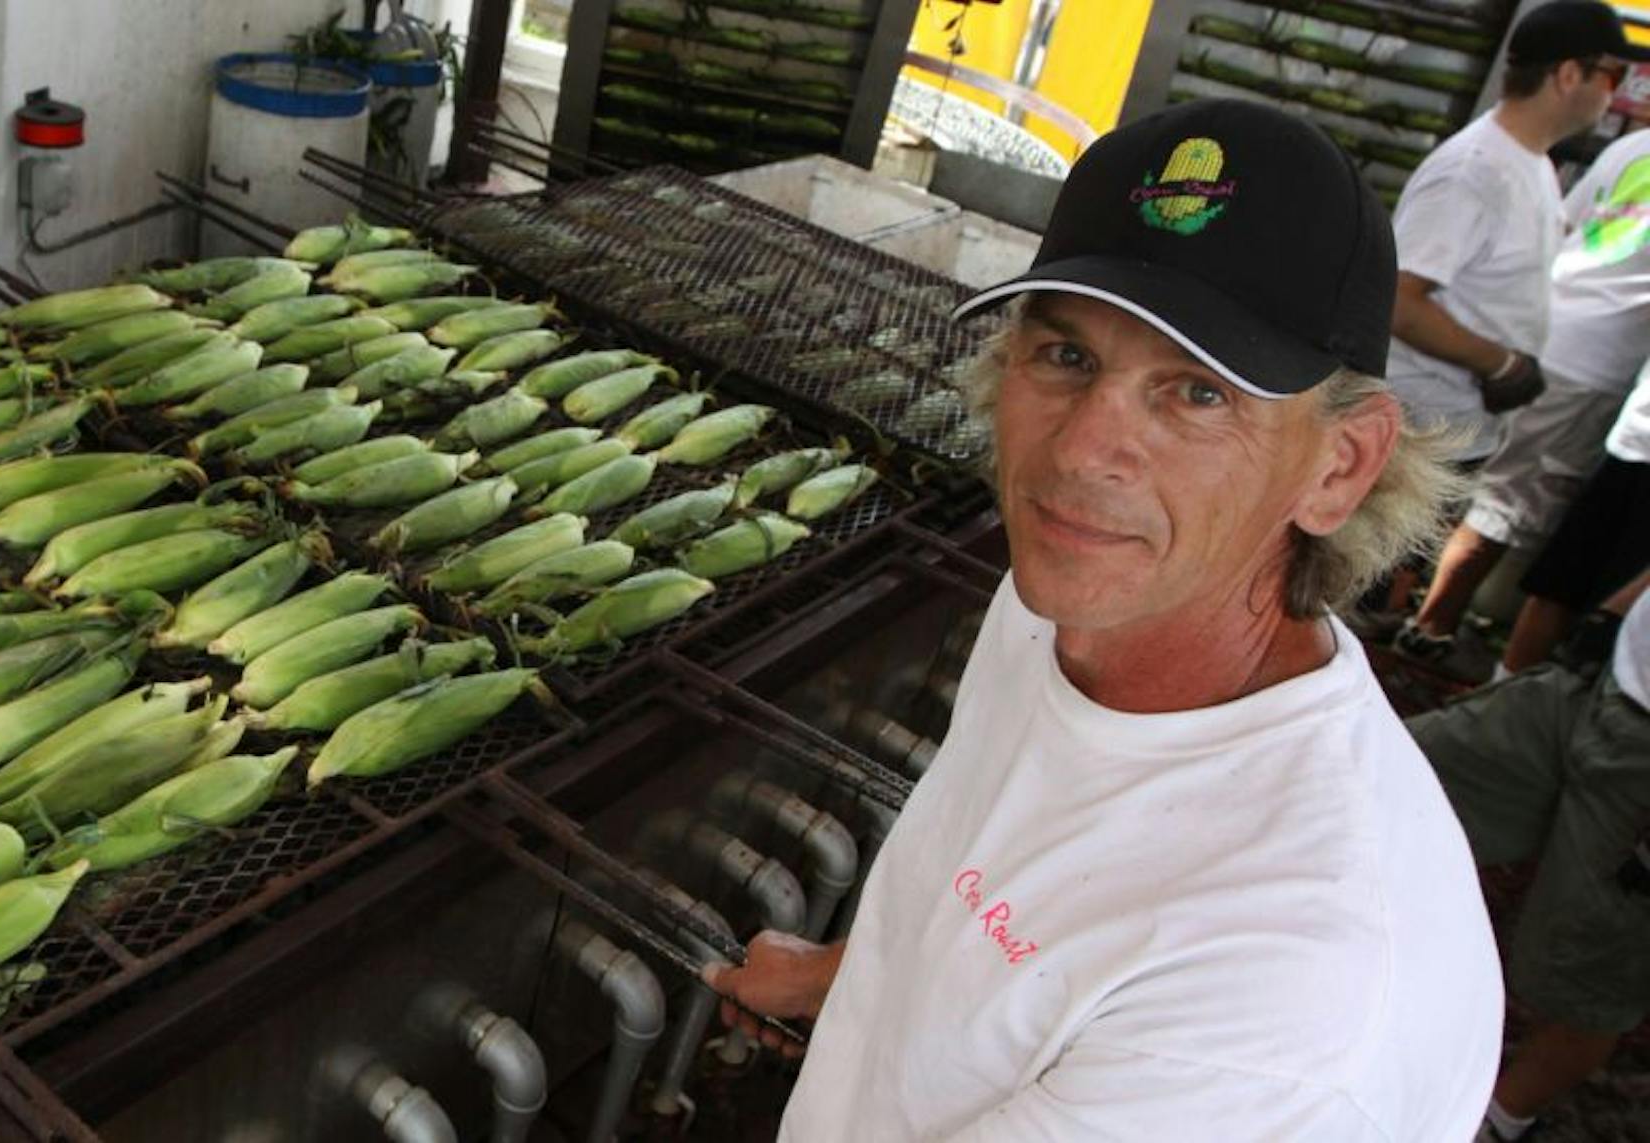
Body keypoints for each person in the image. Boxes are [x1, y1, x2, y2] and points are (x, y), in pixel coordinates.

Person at [703, 98, 1502, 1140]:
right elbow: (1002, 897)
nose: (1081, 454)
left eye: (1197, 395)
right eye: (1067, 359)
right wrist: (855, 985)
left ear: (1338, 465)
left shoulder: (1280, 1007)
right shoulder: (1065, 610)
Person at [1398, 118, 1650, 670]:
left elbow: (1568, 227)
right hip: (1597, 360)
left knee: (1490, 486)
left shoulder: (1631, 147)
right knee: (1512, 505)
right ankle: (1431, 626)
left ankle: (1415, 609)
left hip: (1551, 330)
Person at [1408, 568, 1650, 1142]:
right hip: (1604, 677)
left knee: (1588, 972)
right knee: (1392, 780)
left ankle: (1492, 1123)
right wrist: (1609, 616)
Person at [1383, 1, 1643, 465]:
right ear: (1568, 75)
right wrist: (1502, 365)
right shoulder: (1474, 172)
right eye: (1611, 76)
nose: (1613, 94)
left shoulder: (1531, 163)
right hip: (1413, 434)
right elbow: (1399, 301)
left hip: (1457, 431)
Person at [1499, 357, 1650, 673]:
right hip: (1634, 445)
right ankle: (1508, 685)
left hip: (1635, 439)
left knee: (1576, 588)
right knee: (1566, 583)